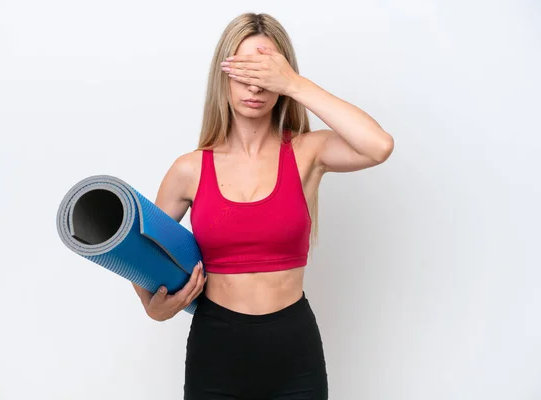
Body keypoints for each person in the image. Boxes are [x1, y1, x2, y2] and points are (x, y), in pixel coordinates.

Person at [132, 12, 394, 399]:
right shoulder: (189, 168)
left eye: (265, 71)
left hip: (294, 350)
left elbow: (379, 146)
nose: (255, 85)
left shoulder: (308, 153)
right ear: (223, 76)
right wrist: (152, 306)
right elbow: (142, 250)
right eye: (243, 71)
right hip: (215, 350)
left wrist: (294, 83)